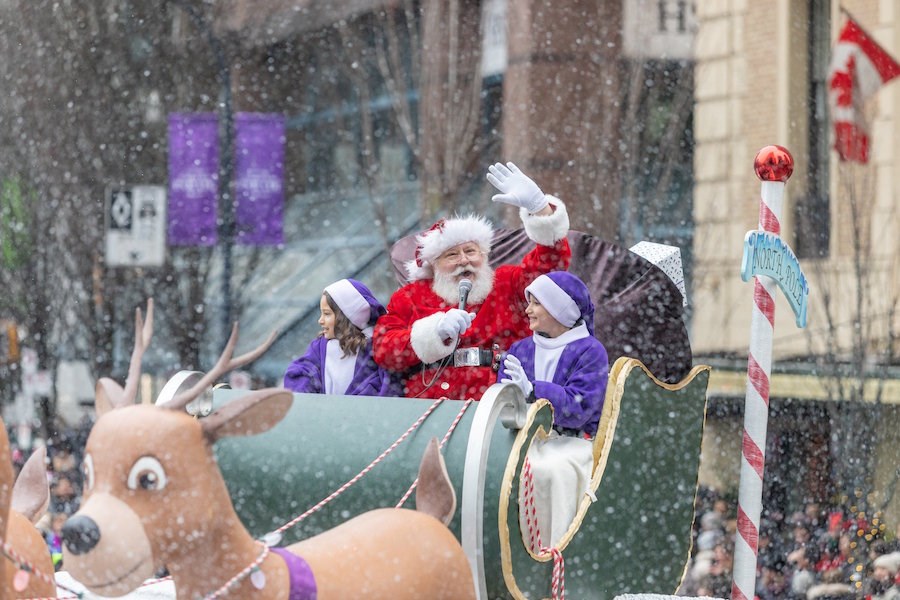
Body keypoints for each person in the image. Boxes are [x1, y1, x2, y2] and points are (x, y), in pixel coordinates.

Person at [373, 162, 571, 400]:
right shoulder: (410, 297)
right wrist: (432, 332)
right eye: (452, 255)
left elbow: (551, 265)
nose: (463, 261)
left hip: (499, 403)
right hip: (430, 406)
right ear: (434, 264)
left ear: (484, 256)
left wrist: (541, 211)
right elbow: (384, 350)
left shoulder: (506, 283)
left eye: (471, 251)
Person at [498, 271, 609, 548]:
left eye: (536, 303)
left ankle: (551, 549)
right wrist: (511, 395)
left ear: (559, 309)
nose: (528, 310)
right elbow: (502, 402)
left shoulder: (590, 352)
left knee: (547, 470)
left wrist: (534, 391)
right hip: (522, 440)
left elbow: (579, 408)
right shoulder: (520, 350)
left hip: (571, 443)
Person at [283, 278, 401, 396]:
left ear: (347, 315)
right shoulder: (319, 347)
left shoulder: (376, 348)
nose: (320, 320)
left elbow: (384, 388)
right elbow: (302, 372)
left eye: (327, 314)